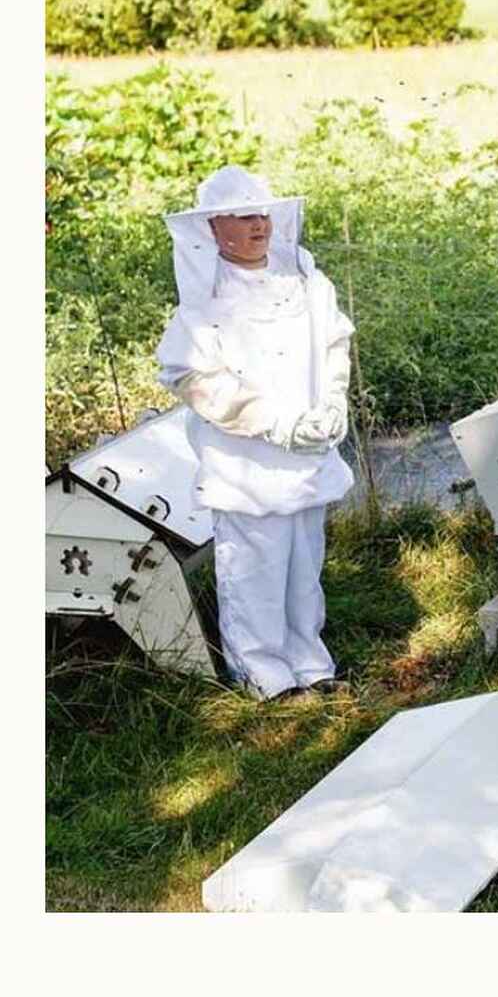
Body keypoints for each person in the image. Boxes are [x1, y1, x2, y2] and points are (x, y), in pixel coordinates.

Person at [156, 166, 355, 701]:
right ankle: (264, 676)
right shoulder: (205, 300)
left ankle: (311, 664)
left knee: (301, 568)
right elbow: (194, 378)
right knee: (255, 571)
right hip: (245, 464)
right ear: (212, 228)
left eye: (262, 214)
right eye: (243, 217)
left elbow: (335, 344)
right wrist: (272, 421)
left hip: (309, 455)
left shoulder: (307, 282)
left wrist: (333, 400)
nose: (258, 225)